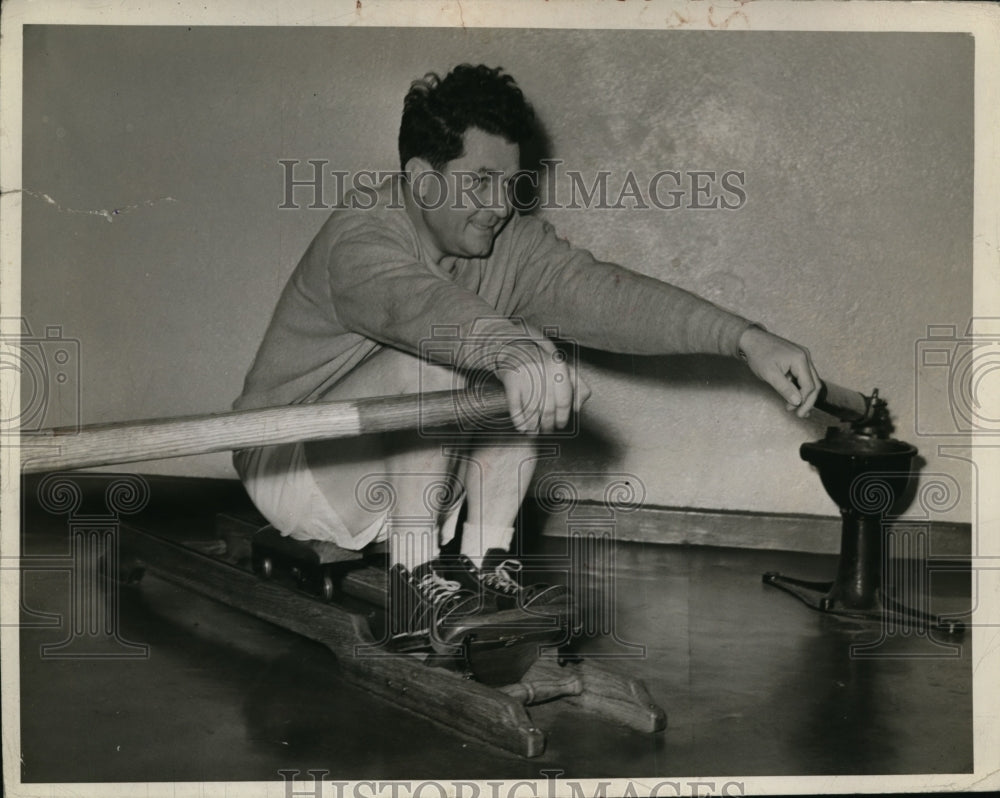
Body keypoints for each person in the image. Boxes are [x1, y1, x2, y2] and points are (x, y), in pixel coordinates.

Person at [233, 64, 821, 647]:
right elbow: (418, 308)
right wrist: (517, 351)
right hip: (291, 463)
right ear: (421, 178)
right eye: (481, 182)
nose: (500, 205)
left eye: (509, 185)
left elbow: (606, 295)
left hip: (401, 465)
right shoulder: (359, 238)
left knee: (518, 366)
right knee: (451, 357)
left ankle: (483, 565)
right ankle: (414, 576)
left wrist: (744, 339)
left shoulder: (505, 244)